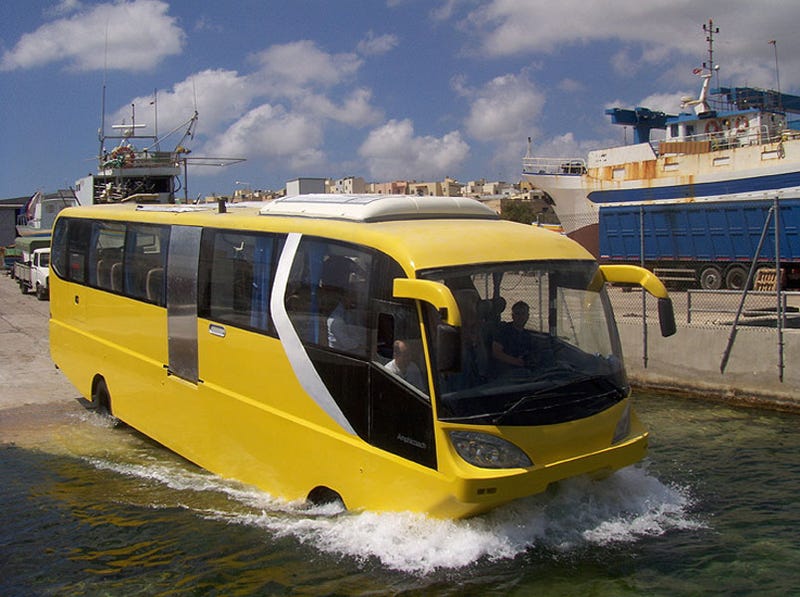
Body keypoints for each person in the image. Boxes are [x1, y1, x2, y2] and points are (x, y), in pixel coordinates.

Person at [492, 301, 534, 370]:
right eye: (517, 314)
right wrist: (516, 362)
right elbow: (496, 352)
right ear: (512, 316)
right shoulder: (504, 331)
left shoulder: (527, 335)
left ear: (527, 316)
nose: (520, 317)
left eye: (523, 314)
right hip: (505, 371)